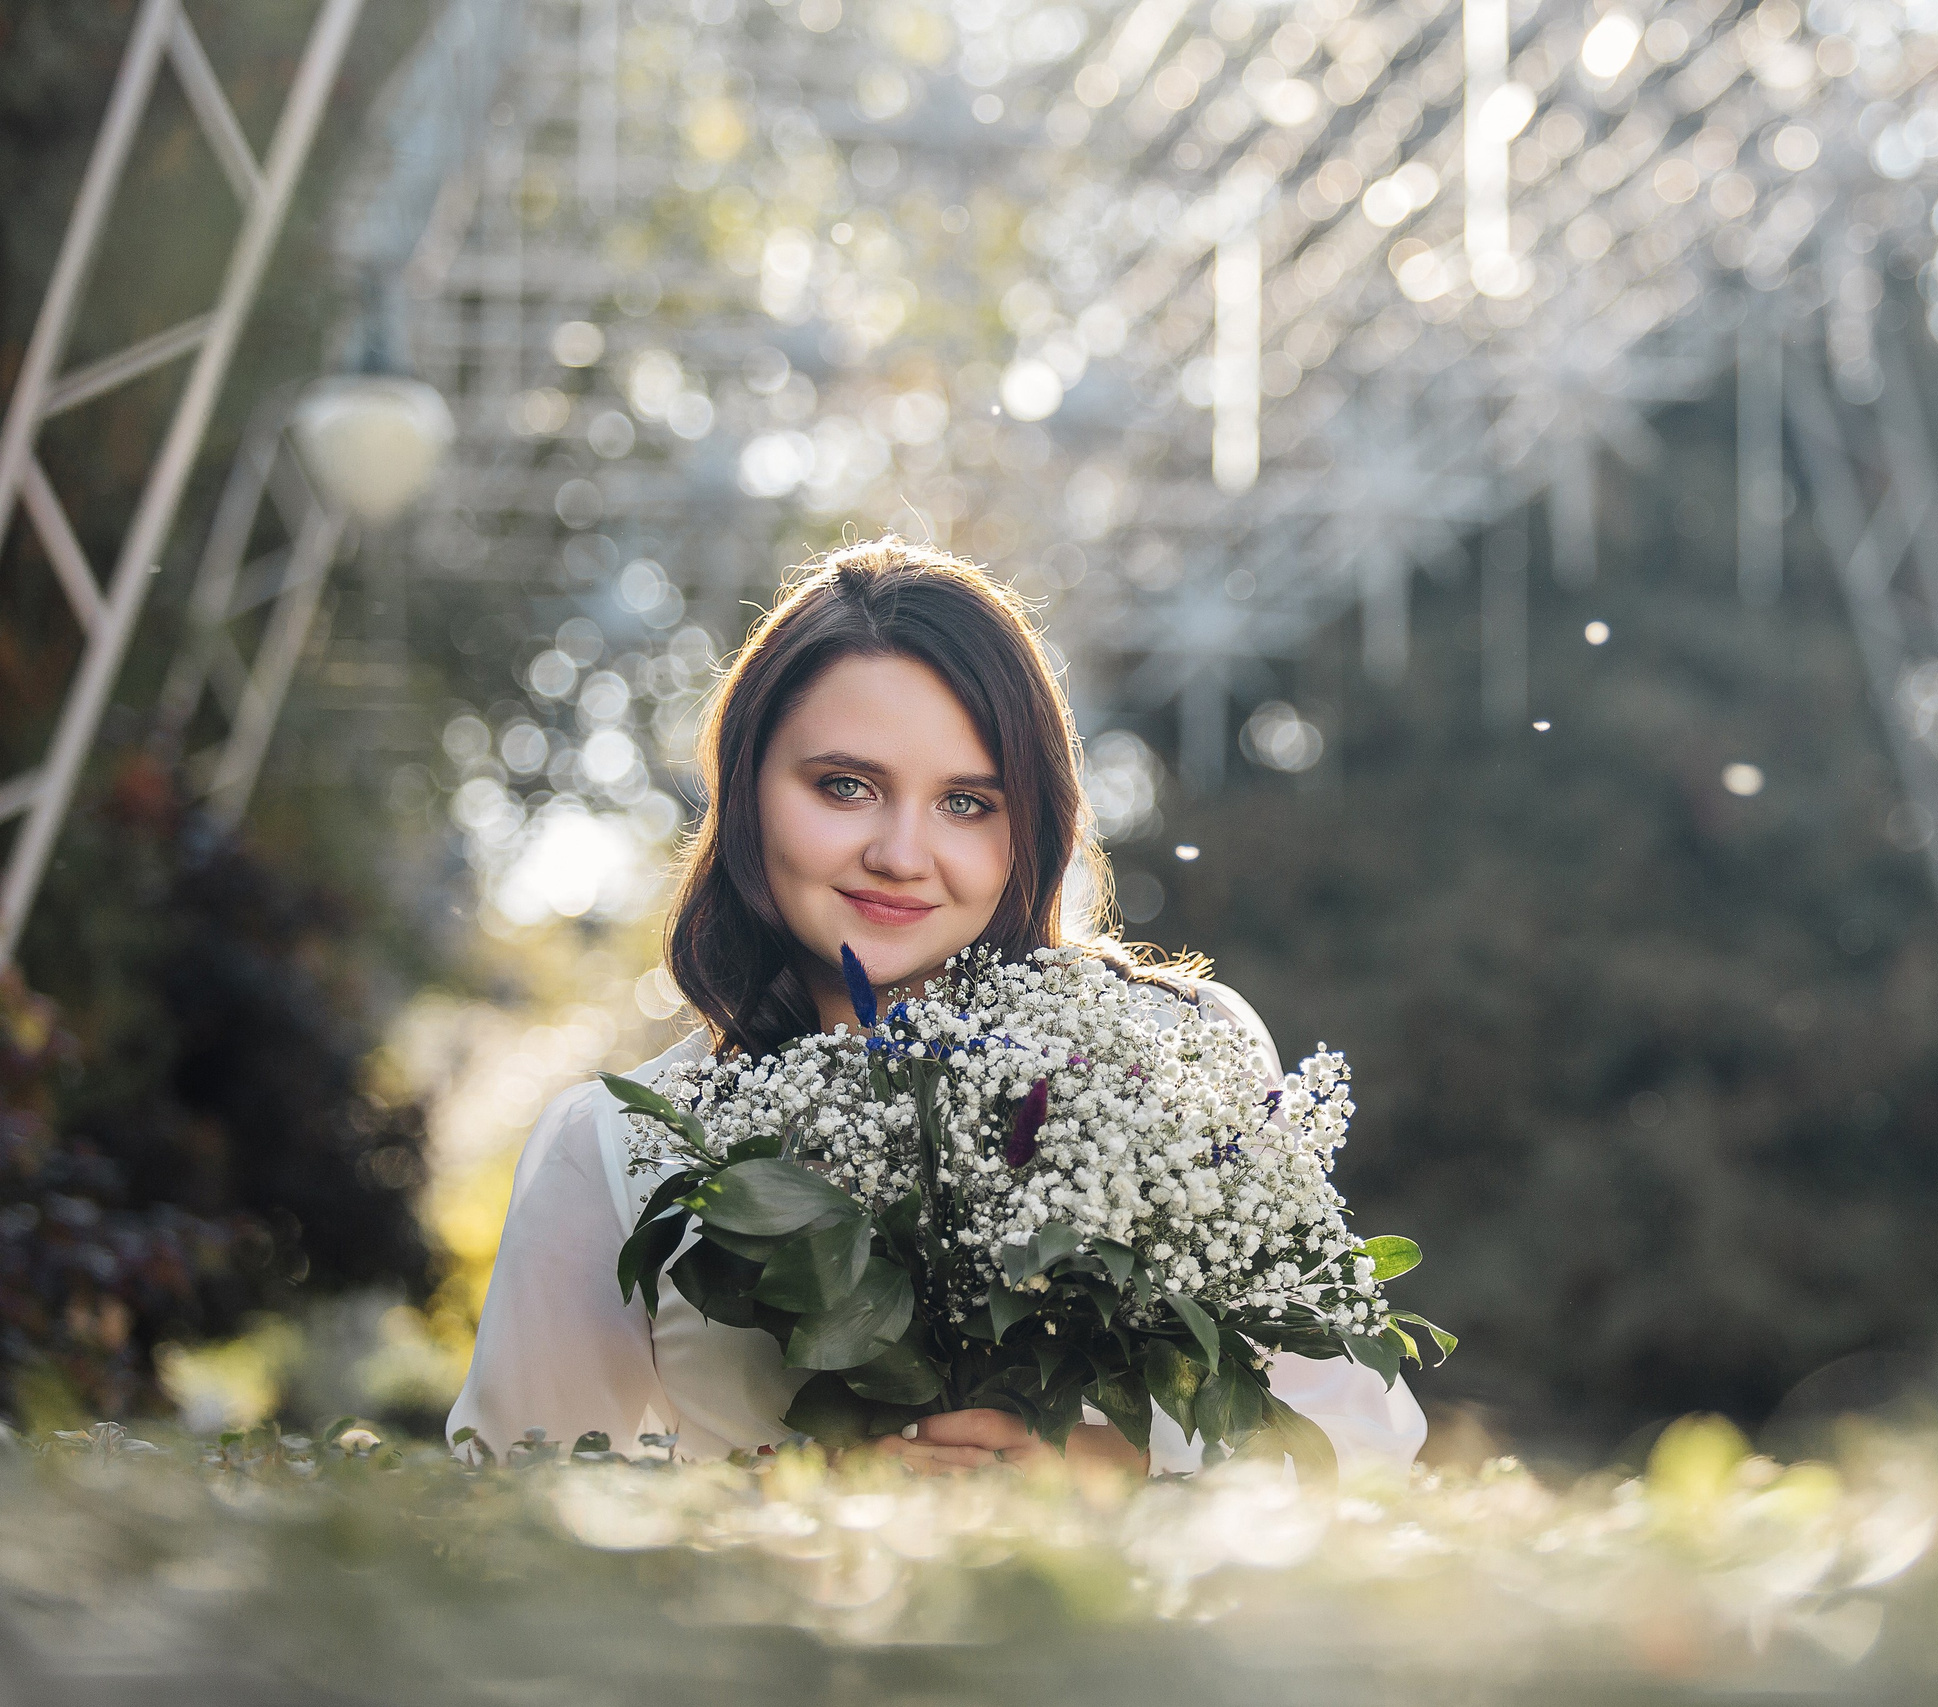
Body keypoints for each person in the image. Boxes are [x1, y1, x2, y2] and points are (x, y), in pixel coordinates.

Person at [447, 537, 1425, 1477]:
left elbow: (1360, 1434)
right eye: (845, 787)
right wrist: (790, 1494)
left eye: (967, 802)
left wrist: (1107, 1465)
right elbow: (515, 1501)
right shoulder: (612, 1145)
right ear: (745, 791)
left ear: (1029, 826)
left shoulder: (1183, 1052)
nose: (902, 854)